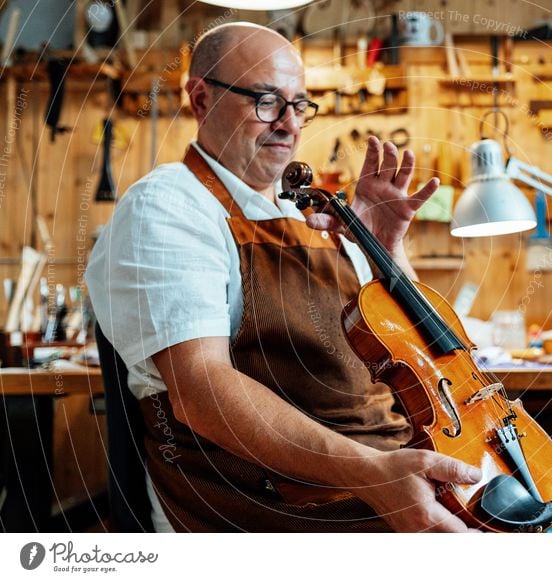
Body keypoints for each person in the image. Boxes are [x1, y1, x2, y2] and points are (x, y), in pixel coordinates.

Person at [86, 22, 487, 533]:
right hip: (266, 497)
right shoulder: (167, 206)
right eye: (267, 101)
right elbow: (201, 392)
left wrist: (389, 252)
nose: (290, 124)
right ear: (202, 98)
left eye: (300, 105)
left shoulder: (312, 215)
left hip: (383, 463)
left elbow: (420, 357)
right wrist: (374, 474)